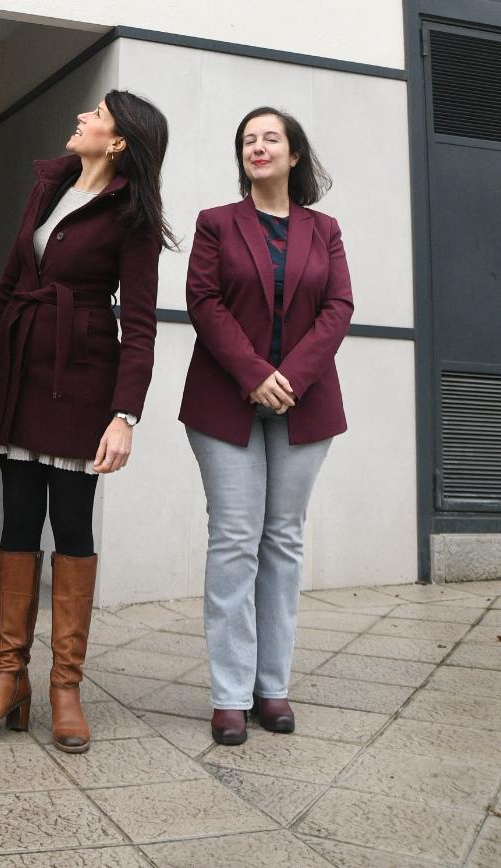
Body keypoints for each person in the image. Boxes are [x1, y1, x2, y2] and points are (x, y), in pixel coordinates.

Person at [0, 91, 171, 753]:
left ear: (118, 142)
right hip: (23, 370)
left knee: (73, 526)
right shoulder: (49, 184)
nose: (82, 118)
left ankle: (64, 688)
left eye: (97, 115)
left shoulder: (133, 215)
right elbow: (10, 282)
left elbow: (140, 325)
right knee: (18, 522)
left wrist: (125, 415)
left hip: (83, 379)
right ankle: (8, 676)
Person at [181, 107, 353, 747]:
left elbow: (339, 307)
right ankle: (229, 694)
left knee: (282, 540)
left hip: (305, 402)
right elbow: (204, 302)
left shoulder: (324, 230)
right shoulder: (216, 223)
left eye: (270, 138)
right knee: (234, 539)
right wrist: (255, 374)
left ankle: (271, 686)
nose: (258, 147)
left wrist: (292, 378)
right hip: (225, 400)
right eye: (248, 140)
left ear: (293, 154)